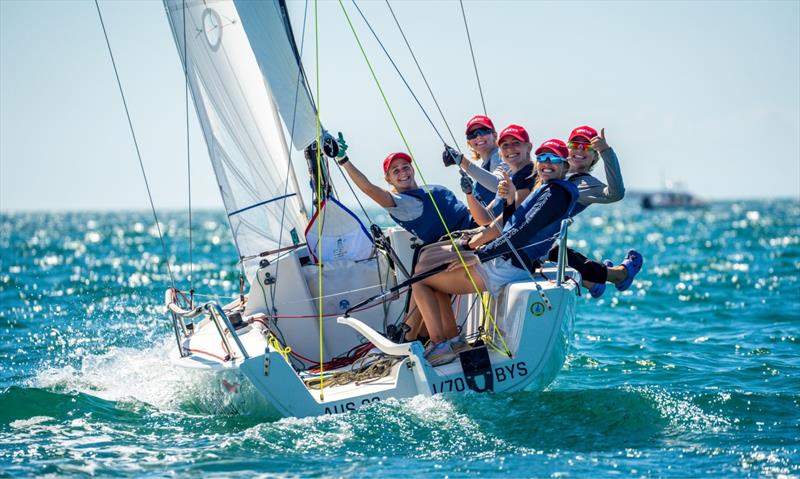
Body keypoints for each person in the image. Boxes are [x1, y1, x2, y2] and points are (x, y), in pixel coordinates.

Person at [411, 135, 580, 366]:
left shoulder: (555, 193)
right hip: (506, 261)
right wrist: (510, 200)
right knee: (429, 273)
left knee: (421, 281)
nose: (546, 163)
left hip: (505, 266)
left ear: (565, 165)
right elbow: (514, 224)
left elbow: (521, 233)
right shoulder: (549, 189)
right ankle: (453, 341)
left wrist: (478, 255)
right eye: (542, 158)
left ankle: (441, 344)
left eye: (553, 159)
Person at [547, 125, 642, 296]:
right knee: (551, 254)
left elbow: (616, 194)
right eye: (575, 144)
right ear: (567, 148)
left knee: (549, 254)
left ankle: (619, 274)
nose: (580, 149)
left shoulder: (587, 184)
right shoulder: (552, 169)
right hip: (541, 238)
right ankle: (591, 283)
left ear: (594, 156)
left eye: (587, 147)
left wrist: (606, 151)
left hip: (543, 241)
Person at [336, 139, 474, 244]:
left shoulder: (431, 188)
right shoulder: (400, 203)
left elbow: (461, 210)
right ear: (388, 179)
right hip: (461, 240)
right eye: (395, 170)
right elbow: (369, 189)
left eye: (405, 167)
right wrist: (344, 160)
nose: (402, 172)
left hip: (477, 226)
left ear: (412, 169)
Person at [444, 123, 537, 225]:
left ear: (494, 136)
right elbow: (486, 218)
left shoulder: (498, 157)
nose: (478, 136)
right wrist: (469, 193)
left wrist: (462, 160)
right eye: (472, 134)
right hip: (494, 228)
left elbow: (497, 184)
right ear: (469, 142)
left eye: (484, 130)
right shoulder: (489, 167)